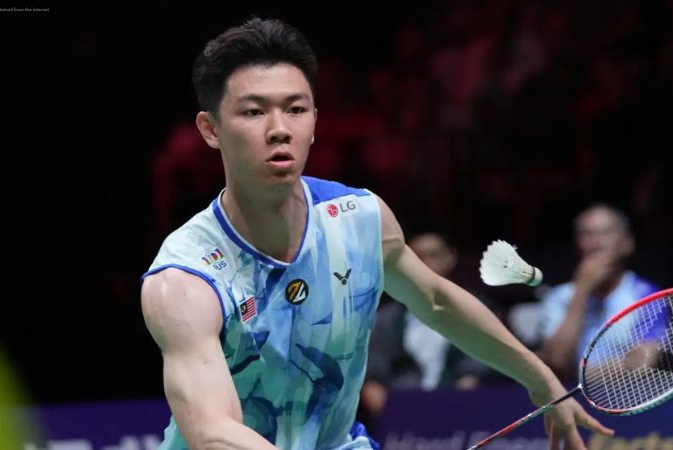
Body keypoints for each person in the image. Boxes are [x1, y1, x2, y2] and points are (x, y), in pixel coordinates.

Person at [140, 17, 613, 450]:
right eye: (253, 112)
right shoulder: (184, 278)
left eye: (296, 109)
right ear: (211, 129)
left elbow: (436, 301)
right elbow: (212, 432)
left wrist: (539, 378)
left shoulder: (357, 218)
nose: (279, 129)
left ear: (315, 121)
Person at [359, 233, 500, 428]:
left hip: (463, 412)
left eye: (432, 255)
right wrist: (389, 413)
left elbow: (482, 364)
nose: (424, 263)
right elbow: (372, 374)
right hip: (401, 414)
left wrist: (456, 401)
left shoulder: (475, 309)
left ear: (450, 258)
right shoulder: (387, 317)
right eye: (417, 257)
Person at [537, 204, 659, 379]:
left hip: (626, 394)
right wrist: (581, 292)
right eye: (587, 234)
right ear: (576, 245)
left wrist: (577, 376)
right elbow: (557, 361)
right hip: (568, 396)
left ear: (627, 243)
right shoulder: (557, 298)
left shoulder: (647, 295)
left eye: (606, 233)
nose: (596, 243)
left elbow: (645, 362)